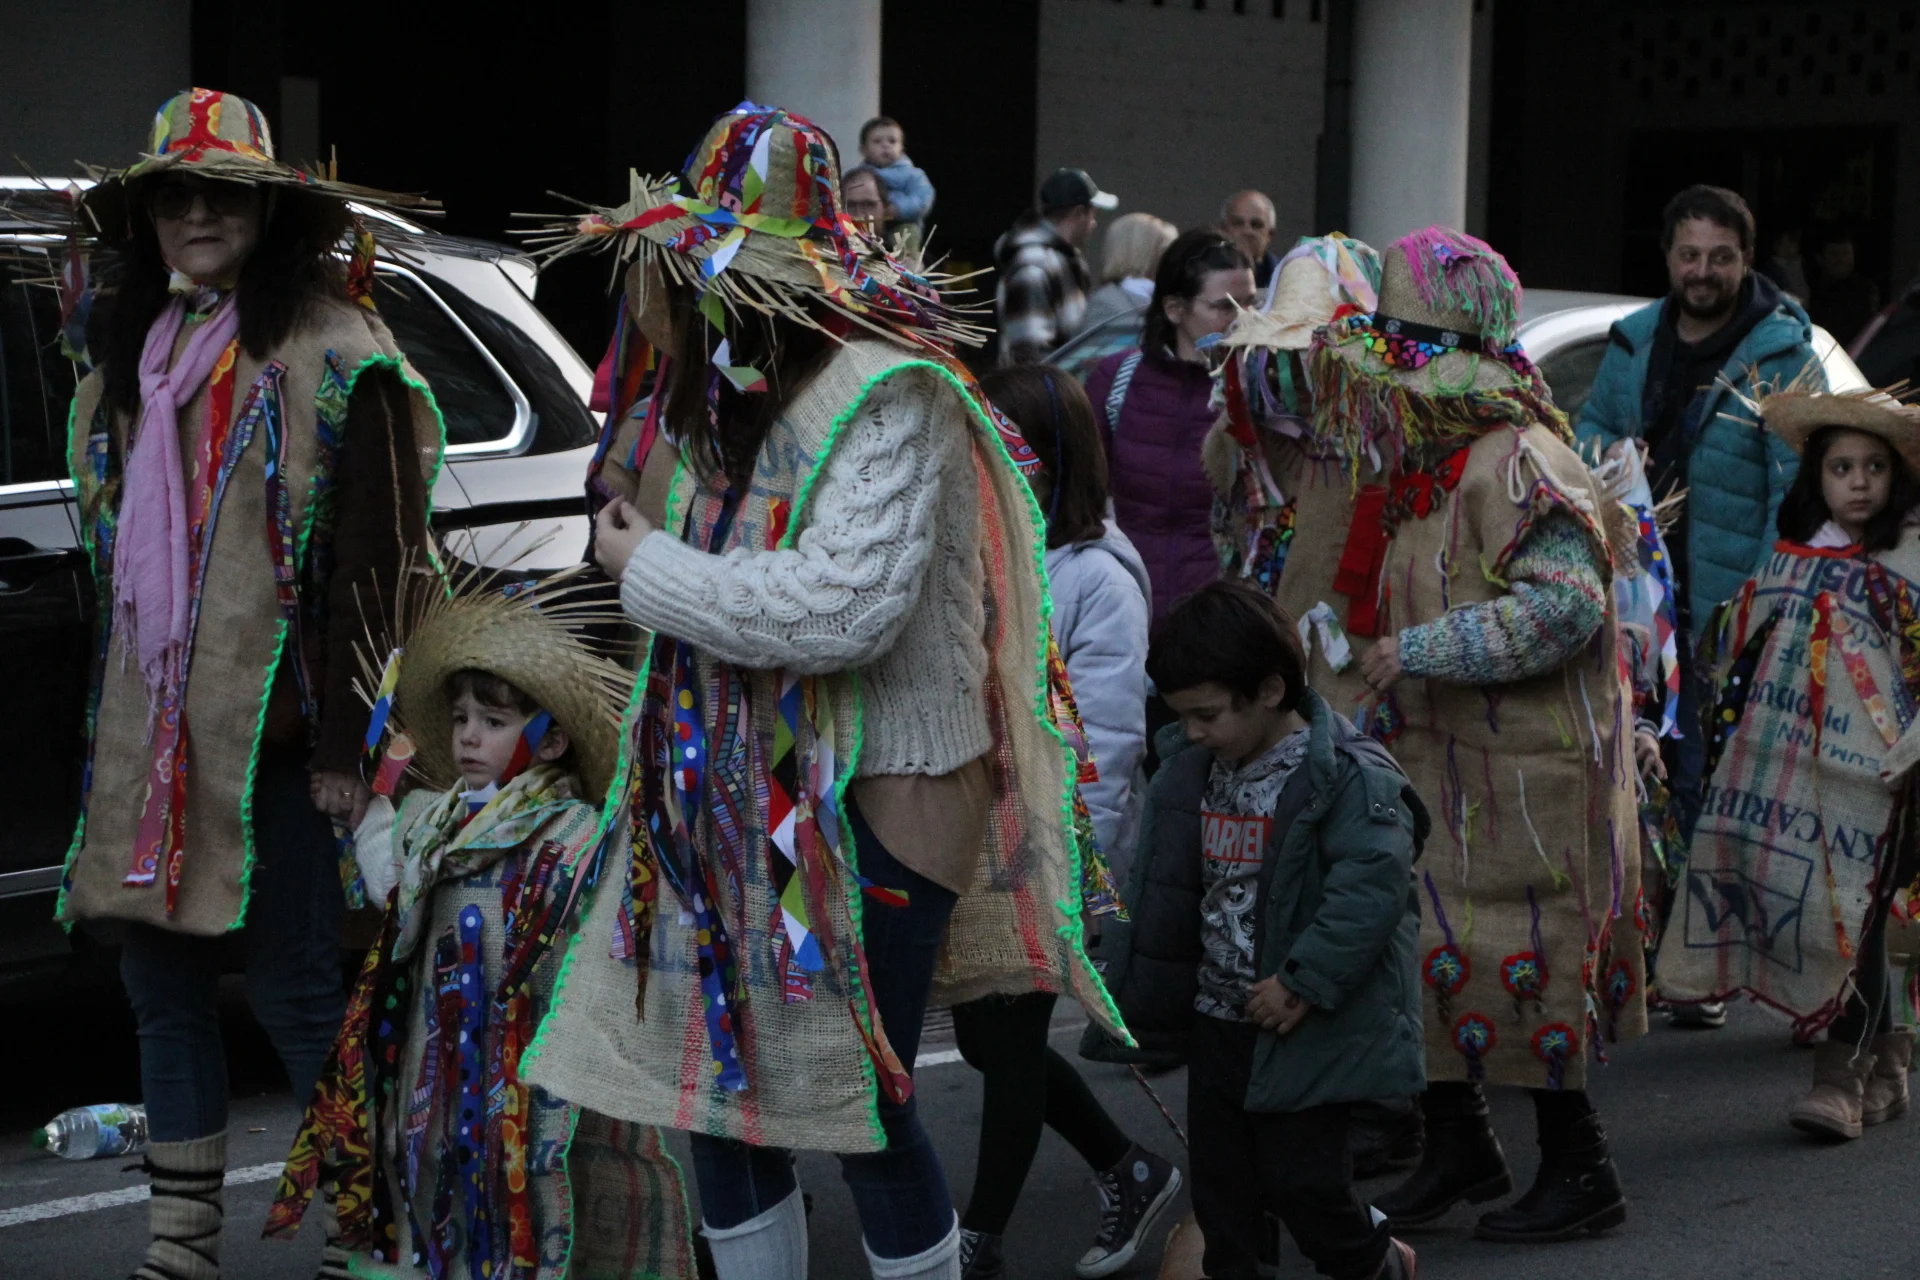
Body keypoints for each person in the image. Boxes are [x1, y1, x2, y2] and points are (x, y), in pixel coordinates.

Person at [521, 103, 1123, 1280]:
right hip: (722, 794)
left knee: (861, 1104)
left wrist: (646, 565)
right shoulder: (720, 392)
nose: (678, 295)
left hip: (879, 800)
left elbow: (841, 609)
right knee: (717, 1094)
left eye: (701, 269)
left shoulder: (892, 394)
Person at [53, 88, 443, 1280]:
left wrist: (346, 750)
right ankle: (179, 1245)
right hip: (154, 740)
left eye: (224, 193)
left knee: (294, 990)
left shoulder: (339, 351)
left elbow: (382, 560)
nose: (198, 214)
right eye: (176, 195)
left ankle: (371, 1232)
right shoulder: (134, 357)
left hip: (284, 739)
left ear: (269, 214)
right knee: (162, 988)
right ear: (149, 218)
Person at [1314, 227, 1647, 1243]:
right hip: (1443, 766)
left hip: (1529, 782)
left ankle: (1582, 1167)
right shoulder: (1438, 463)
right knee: (1429, 946)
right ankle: (1461, 1144)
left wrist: (1422, 649)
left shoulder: (1520, 463)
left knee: (1525, 955)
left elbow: (1567, 605)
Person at [265, 568, 696, 1280]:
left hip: (538, 1073)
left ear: (551, 743)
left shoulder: (575, 833)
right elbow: (394, 889)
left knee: (548, 1198)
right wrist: (368, 815)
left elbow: (625, 928)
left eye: (493, 724)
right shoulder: (433, 820)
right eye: (462, 718)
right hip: (440, 1073)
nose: (468, 736)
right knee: (443, 1194)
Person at [1093, 581, 1425, 1280]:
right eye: (1182, 717)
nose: (1192, 732)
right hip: (1219, 1017)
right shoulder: (1194, 772)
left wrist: (1302, 982)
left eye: (1207, 715)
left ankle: (1374, 1263)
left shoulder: (1344, 776)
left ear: (1270, 689)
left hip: (1300, 1024)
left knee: (1304, 1185)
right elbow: (1164, 887)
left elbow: (1371, 890)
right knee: (1224, 1196)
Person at [945, 364, 1168, 1280]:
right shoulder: (994, 542)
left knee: (1007, 1040)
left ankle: (978, 1239)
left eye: (1005, 440)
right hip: (981, 834)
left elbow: (1107, 741)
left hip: (1049, 845)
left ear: (1052, 456)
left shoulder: (1098, 577)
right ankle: (1130, 1165)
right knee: (985, 1037)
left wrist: (1076, 869)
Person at [1576, 186, 1824, 999]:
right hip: (1637, 603)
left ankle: (1704, 968)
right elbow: (1585, 435)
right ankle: (1655, 951)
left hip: (1730, 611)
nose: (1703, 271)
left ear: (1746, 260)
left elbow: (1799, 497)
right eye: (1690, 255)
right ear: (1669, 257)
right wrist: (1612, 458)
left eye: (1721, 256)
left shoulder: (1784, 354)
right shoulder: (1635, 340)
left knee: (1716, 787)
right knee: (1639, 777)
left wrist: (1755, 606)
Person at [1656, 386, 1920, 1141]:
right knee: (1832, 918)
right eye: (1842, 468)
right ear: (1817, 478)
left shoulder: (1911, 559)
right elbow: (1739, 651)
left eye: (1874, 466)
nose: (1859, 482)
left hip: (1891, 781)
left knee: (1856, 920)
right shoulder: (1789, 558)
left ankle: (1840, 1079)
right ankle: (1887, 1062)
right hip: (1794, 779)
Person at [1087, 228, 1255, 624]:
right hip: (1124, 607)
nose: (1243, 319)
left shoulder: (1262, 390)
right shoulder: (1117, 381)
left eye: (1251, 302)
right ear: (1175, 309)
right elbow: (1077, 500)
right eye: (1225, 306)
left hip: (1221, 618)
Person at [995, 166, 1118, 365]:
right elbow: (1029, 353)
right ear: (1079, 213)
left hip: (1059, 381)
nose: (1094, 223)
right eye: (1093, 214)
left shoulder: (1063, 259)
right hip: (1040, 384)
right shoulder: (1034, 264)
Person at [1055, 211, 1177, 379]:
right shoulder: (1107, 303)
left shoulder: (1163, 300)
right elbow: (1089, 371)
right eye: (1165, 252)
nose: (1172, 263)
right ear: (1145, 254)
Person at [859, 115, 936, 230]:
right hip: (869, 224)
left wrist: (898, 208)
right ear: (863, 150)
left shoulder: (913, 174)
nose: (885, 145)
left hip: (903, 223)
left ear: (902, 149)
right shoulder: (859, 176)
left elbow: (923, 197)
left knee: (908, 233)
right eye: (877, 141)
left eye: (892, 141)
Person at [1810, 230, 1881, 350]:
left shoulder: (1866, 289)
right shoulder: (1811, 290)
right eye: (1834, 254)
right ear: (1820, 258)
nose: (1841, 260)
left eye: (1846, 253)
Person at [1220, 190, 1280, 289]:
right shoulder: (1198, 277)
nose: (1247, 231)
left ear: (1270, 234)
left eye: (1256, 225)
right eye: (1238, 223)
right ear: (1223, 230)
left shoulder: (1287, 279)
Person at [1758, 224, 1811, 302]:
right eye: (1781, 243)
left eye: (1792, 241)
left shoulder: (1804, 265)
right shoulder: (1769, 271)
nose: (1788, 247)